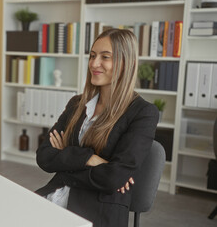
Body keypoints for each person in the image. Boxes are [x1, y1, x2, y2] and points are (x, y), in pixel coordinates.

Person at [35, 28, 159, 227]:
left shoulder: (143, 113)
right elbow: (44, 156)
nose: (94, 63)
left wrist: (66, 158)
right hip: (54, 197)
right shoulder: (77, 104)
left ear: (126, 63)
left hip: (96, 212)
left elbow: (113, 178)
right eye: (92, 55)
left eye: (105, 57)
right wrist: (90, 159)